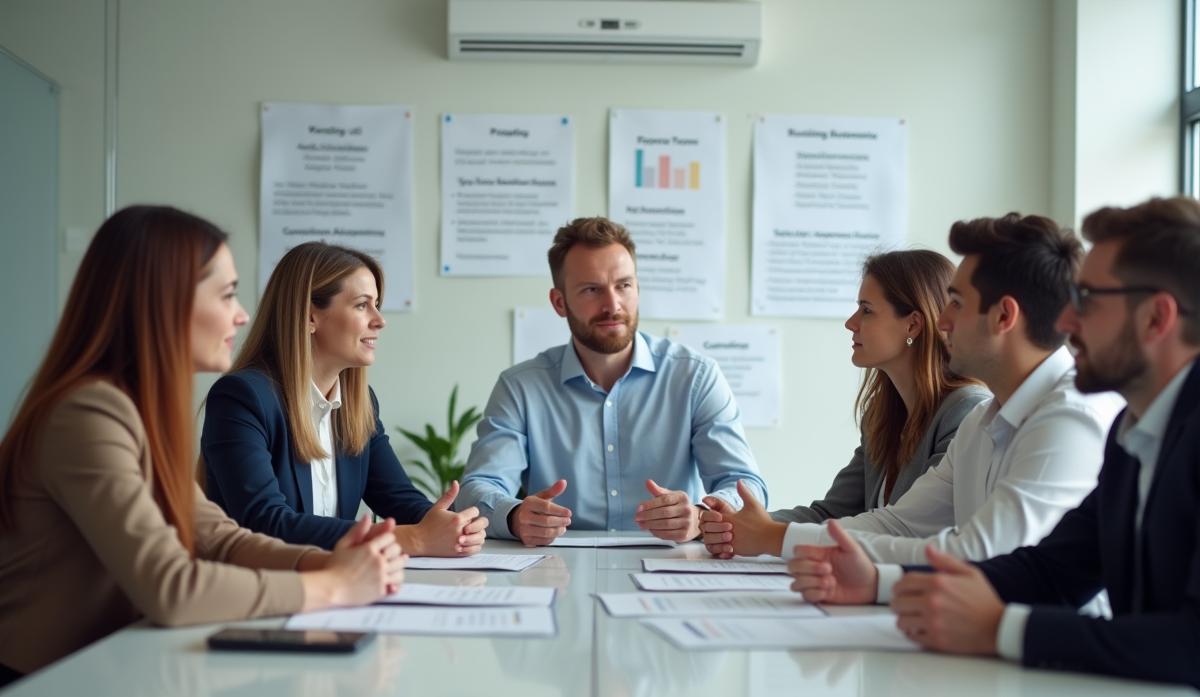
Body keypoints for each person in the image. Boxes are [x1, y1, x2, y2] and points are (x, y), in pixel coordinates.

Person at [789, 196, 1200, 689]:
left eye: (1087, 300)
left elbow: (1190, 645)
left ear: (1156, 319)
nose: (1067, 324)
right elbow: (1053, 570)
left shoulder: (1086, 418)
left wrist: (1002, 628)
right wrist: (880, 583)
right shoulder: (1134, 431)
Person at [0, 207, 406, 688]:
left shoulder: (136, 410)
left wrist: (329, 562)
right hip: (37, 693)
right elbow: (171, 587)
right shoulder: (88, 413)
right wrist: (333, 585)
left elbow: (219, 538)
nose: (242, 314)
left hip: (103, 676)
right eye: (228, 294)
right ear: (164, 300)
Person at [702, 213, 1124, 565]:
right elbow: (898, 523)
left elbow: (983, 555)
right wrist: (770, 534)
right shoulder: (983, 420)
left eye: (956, 302)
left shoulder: (1070, 418)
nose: (943, 321)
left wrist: (776, 539)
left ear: (1003, 316)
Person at [457, 217, 766, 546]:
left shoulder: (695, 377)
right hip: (559, 568)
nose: (612, 305)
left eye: (623, 285)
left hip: (671, 567)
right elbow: (478, 489)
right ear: (559, 302)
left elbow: (746, 486)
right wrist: (515, 517)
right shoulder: (521, 387)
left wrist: (701, 516)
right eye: (592, 289)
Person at [201, 242, 486, 555]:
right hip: (263, 591)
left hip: (339, 586)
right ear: (310, 317)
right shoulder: (242, 397)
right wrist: (414, 539)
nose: (380, 320)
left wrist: (450, 525)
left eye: (377, 304)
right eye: (363, 305)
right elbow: (266, 522)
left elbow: (398, 498)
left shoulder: (359, 403)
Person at [703, 250, 989, 545]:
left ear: (913, 325)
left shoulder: (966, 410)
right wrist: (736, 524)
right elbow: (831, 514)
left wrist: (768, 534)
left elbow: (909, 528)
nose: (850, 323)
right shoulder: (880, 417)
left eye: (866, 310)